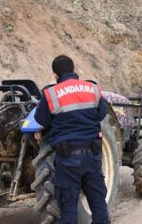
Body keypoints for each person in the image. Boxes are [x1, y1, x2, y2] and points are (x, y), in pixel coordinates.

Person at [34, 55, 110, 224]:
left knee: (68, 208)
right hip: (92, 156)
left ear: (55, 75)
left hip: (68, 159)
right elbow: (101, 114)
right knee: (98, 203)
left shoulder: (51, 94)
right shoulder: (93, 88)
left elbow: (41, 120)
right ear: (74, 70)